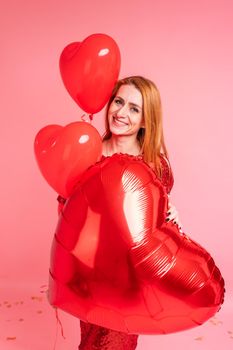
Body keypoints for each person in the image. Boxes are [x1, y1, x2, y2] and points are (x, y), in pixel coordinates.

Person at [57, 75, 182, 349]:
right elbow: (65, 206)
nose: (121, 112)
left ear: (146, 121)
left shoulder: (155, 165)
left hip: (129, 278)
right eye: (119, 101)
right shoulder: (88, 155)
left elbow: (155, 218)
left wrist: (171, 215)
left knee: (114, 342)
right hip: (88, 271)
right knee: (90, 340)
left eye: (134, 109)